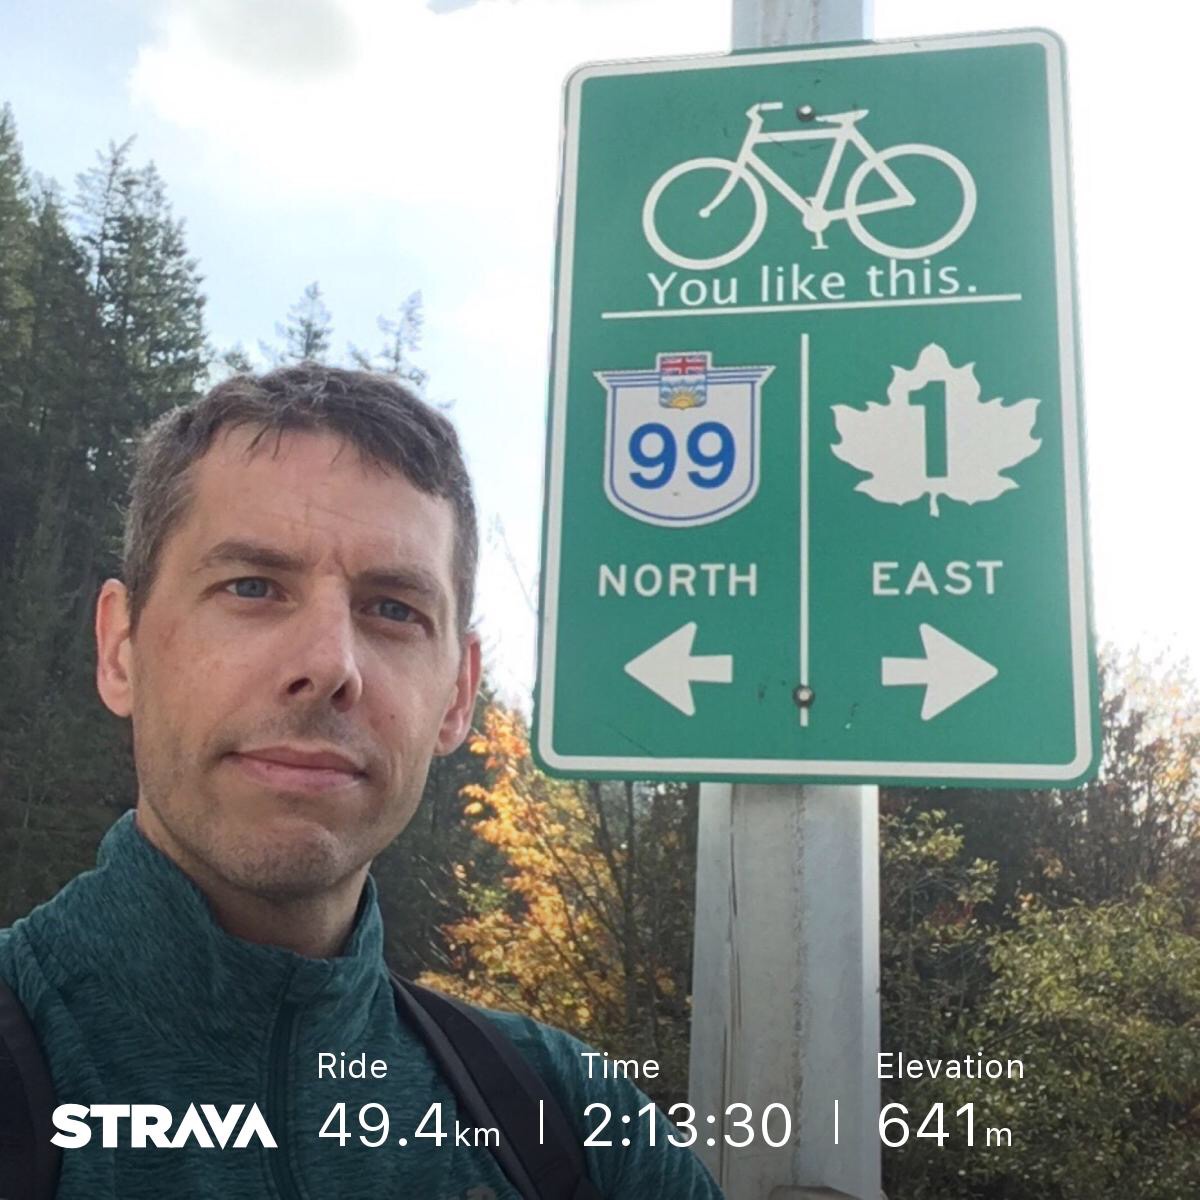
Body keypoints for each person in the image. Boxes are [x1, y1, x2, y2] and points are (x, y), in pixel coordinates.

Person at [0, 365, 724, 1199]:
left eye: (393, 609)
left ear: (457, 696)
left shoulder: (574, 1125)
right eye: (251, 587)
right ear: (120, 649)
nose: (330, 665)